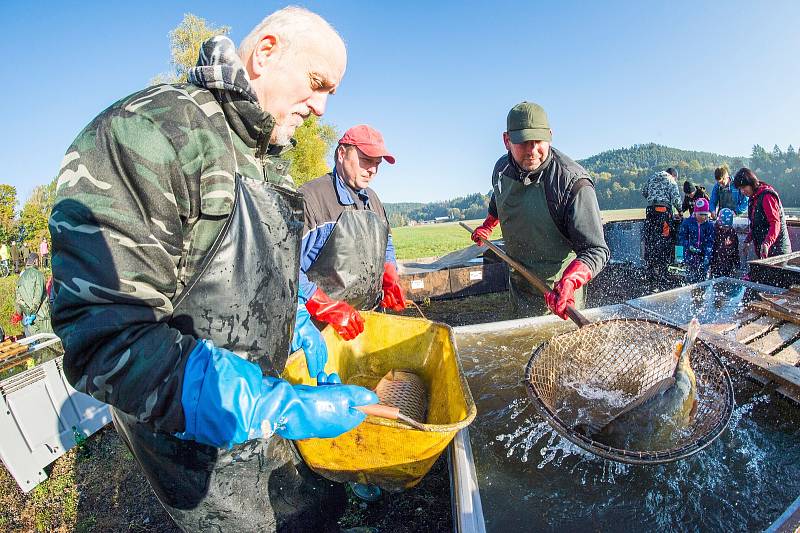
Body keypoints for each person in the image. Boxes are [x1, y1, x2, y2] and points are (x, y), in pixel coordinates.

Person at [49, 7, 378, 532]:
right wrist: (270, 402)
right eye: (317, 84)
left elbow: (239, 269)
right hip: (191, 441)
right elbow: (104, 339)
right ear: (266, 51)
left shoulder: (260, 156)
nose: (319, 108)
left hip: (264, 417)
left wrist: (293, 321)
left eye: (329, 95)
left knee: (304, 511)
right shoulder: (150, 131)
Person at [470, 102, 609, 318]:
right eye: (524, 142)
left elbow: (596, 250)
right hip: (518, 285)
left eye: (539, 141)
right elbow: (499, 201)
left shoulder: (572, 184)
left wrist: (570, 281)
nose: (532, 151)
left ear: (550, 136)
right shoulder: (501, 171)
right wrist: (488, 226)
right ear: (507, 141)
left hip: (559, 295)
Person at [298, 125, 406, 341]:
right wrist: (323, 305)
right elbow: (283, 267)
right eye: (366, 160)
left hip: (366, 320)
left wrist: (389, 273)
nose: (373, 170)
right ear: (341, 153)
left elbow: (386, 244)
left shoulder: (373, 199)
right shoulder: (310, 199)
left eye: (377, 164)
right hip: (322, 330)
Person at [733, 167, 792, 259]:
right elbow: (756, 225)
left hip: (778, 252)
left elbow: (775, 223)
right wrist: (748, 240)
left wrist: (767, 242)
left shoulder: (767, 196)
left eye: (744, 187)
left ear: (751, 183)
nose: (742, 191)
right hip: (767, 250)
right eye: (740, 189)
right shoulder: (753, 198)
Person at [641, 167, 682, 285]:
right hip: (663, 211)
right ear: (674, 175)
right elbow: (676, 199)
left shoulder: (652, 177)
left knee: (650, 240)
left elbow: (644, 192)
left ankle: (650, 272)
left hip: (650, 211)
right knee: (664, 240)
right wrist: (680, 212)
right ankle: (663, 274)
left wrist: (654, 198)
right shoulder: (671, 179)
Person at [15, 253, 53, 336]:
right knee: (49, 342)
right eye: (38, 261)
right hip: (42, 317)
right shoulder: (38, 274)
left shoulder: (21, 277)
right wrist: (32, 312)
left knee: (35, 344)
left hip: (29, 318)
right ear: (36, 261)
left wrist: (26, 313)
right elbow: (38, 296)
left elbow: (18, 299)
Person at [678, 198, 715, 283]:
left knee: (703, 280)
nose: (703, 217)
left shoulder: (710, 225)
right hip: (689, 258)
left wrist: (707, 256)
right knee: (690, 280)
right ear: (695, 213)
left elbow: (710, 242)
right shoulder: (687, 223)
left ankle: (701, 295)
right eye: (701, 214)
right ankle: (692, 294)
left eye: (706, 214)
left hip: (703, 258)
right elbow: (681, 239)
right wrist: (688, 247)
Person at [710, 208, 740, 278]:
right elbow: (710, 248)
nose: (725, 229)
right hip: (715, 265)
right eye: (723, 227)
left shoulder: (732, 233)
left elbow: (735, 250)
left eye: (727, 227)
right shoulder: (713, 231)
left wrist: (737, 264)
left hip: (728, 265)